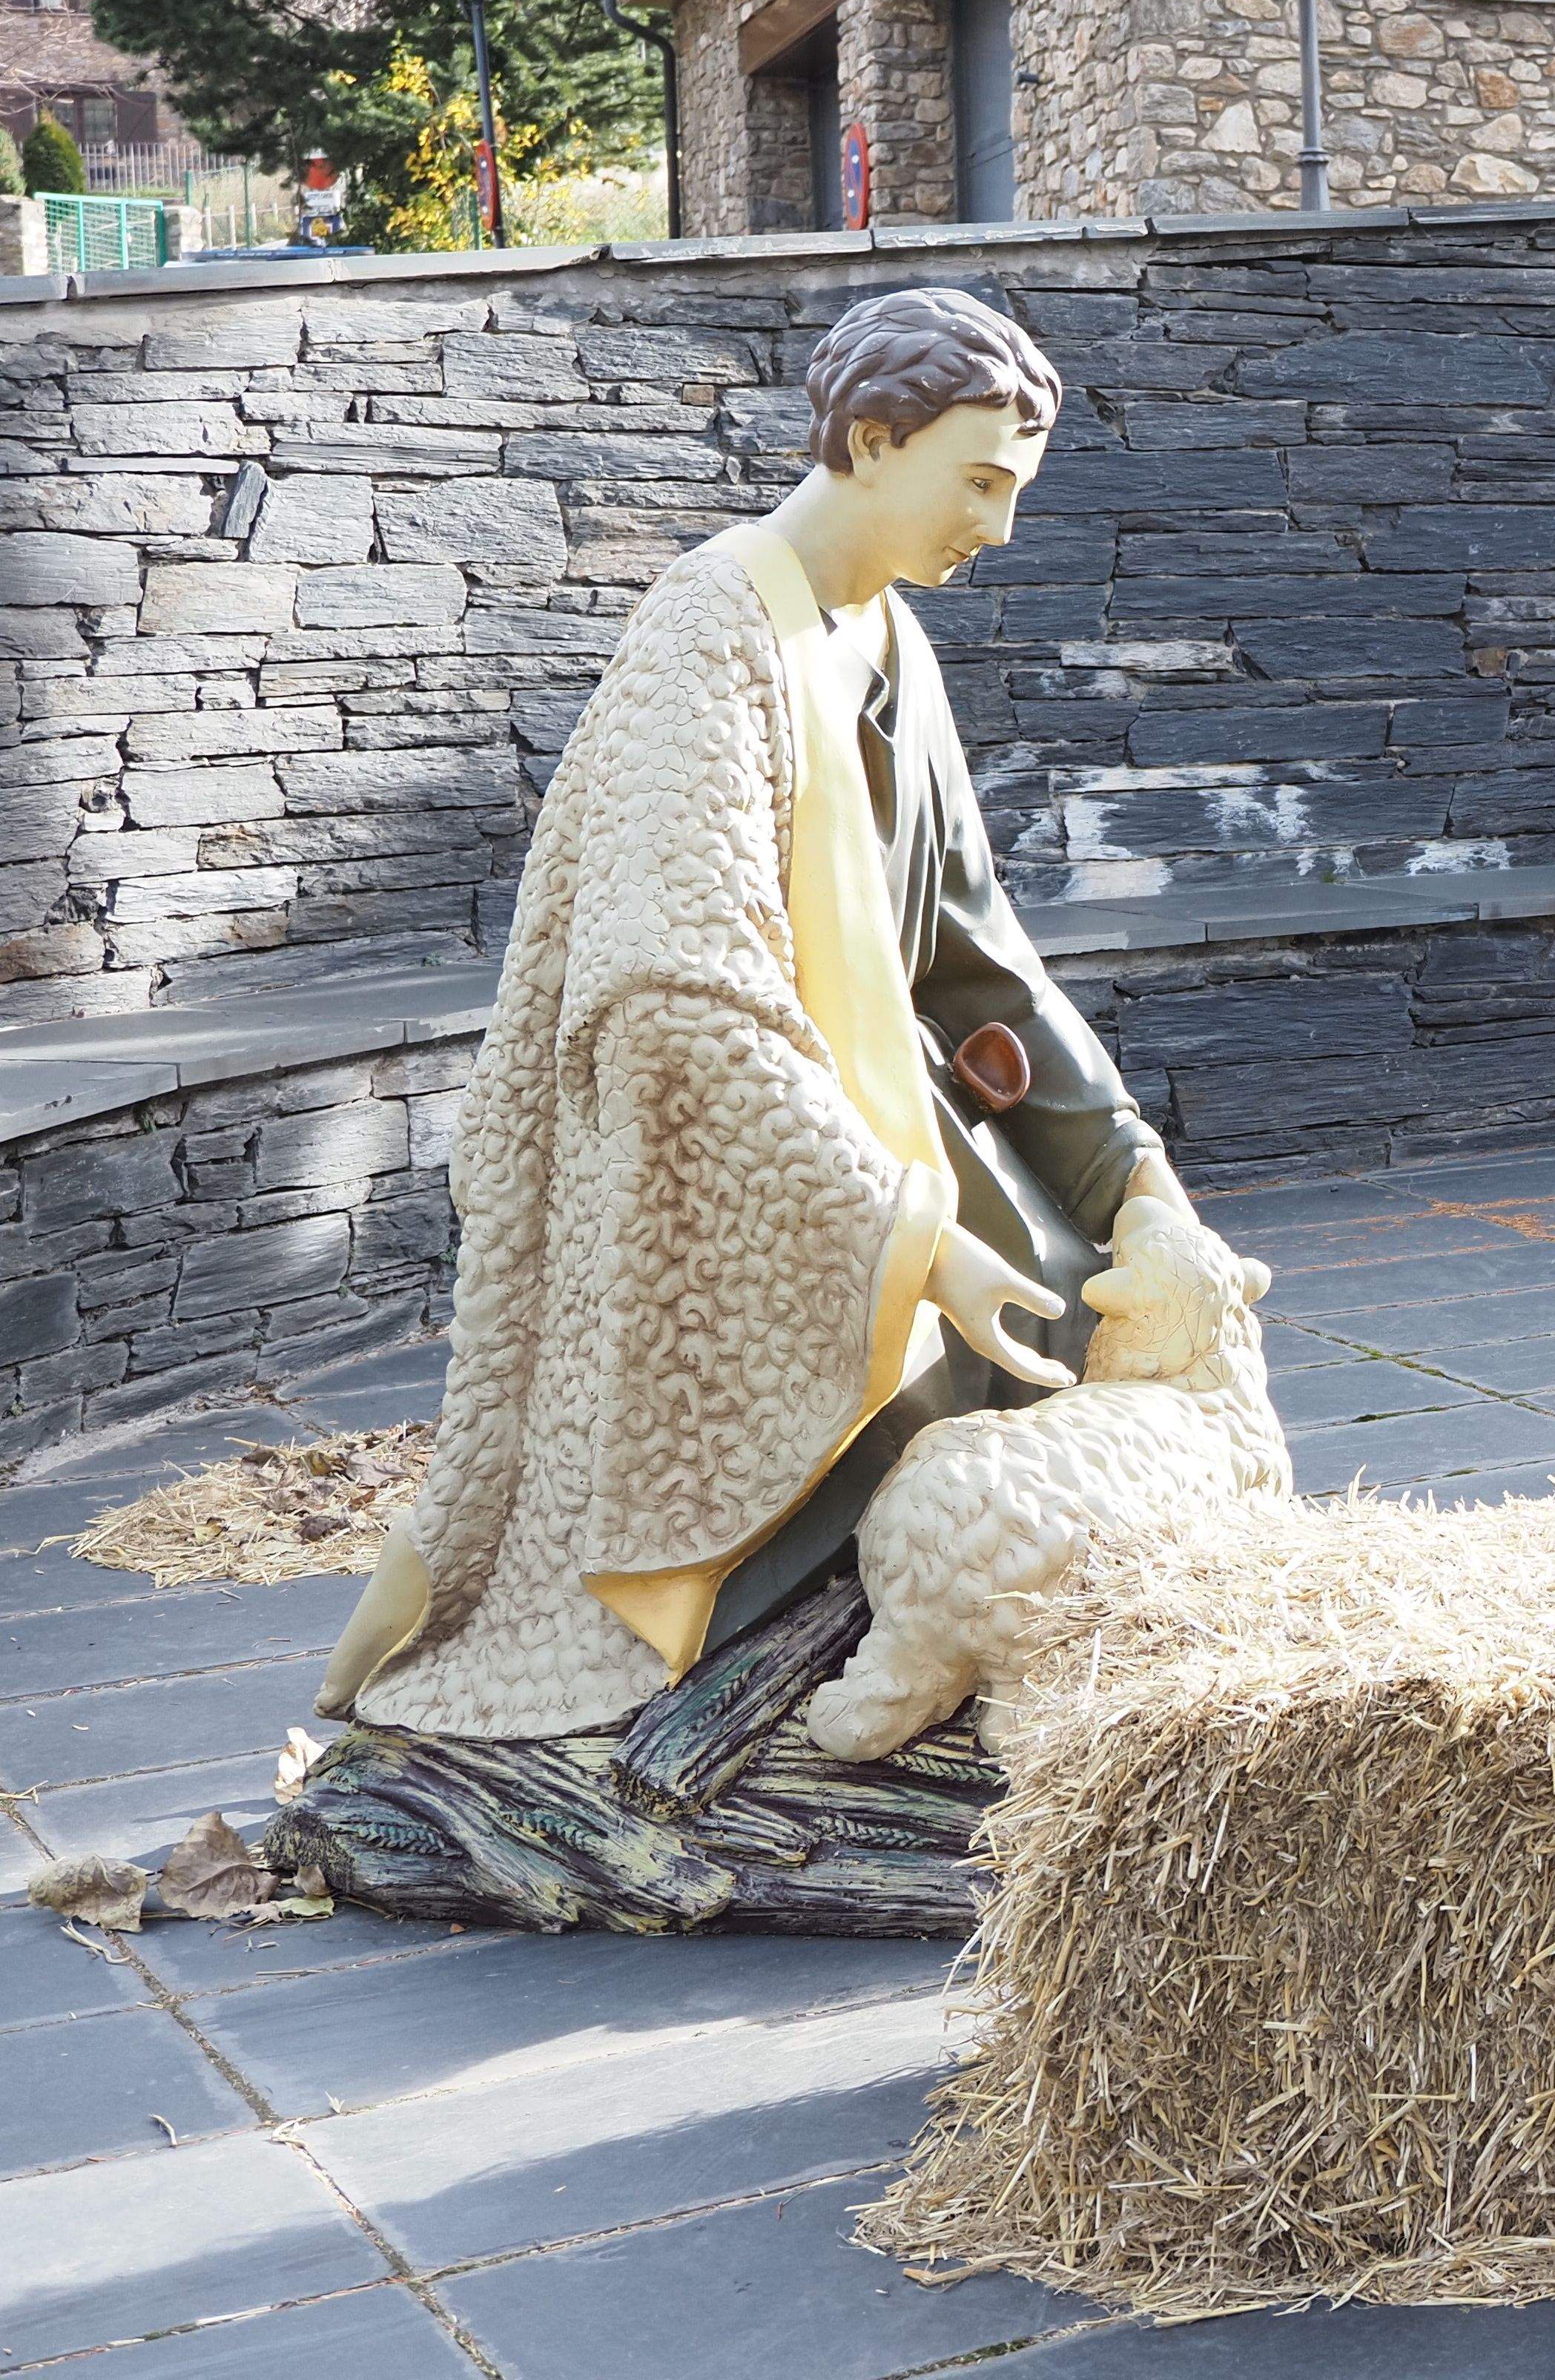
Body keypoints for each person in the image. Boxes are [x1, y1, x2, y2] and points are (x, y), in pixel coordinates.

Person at [316, 287, 1192, 1741]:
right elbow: (684, 1009)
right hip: (723, 1170)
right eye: (981, 482)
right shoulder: (708, 642)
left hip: (873, 1116)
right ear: (869, 438)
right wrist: (910, 1243)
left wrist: (1139, 1179)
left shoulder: (895, 646)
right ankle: (841, 1664)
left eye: (1014, 489)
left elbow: (983, 964)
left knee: (1082, 1262)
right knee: (976, 1336)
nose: (1001, 526)